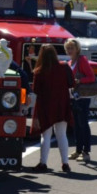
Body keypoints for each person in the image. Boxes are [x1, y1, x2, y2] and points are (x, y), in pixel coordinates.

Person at [31, 44, 74, 172]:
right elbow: (71, 83)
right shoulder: (64, 66)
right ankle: (65, 163)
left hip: (46, 106)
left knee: (46, 136)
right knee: (62, 135)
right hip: (62, 104)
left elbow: (36, 90)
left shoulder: (39, 71)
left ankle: (43, 163)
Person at [65, 38, 95, 163]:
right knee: (76, 125)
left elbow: (91, 77)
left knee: (83, 124)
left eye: (71, 48)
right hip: (73, 97)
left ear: (77, 49)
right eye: (68, 48)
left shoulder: (82, 60)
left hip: (83, 97)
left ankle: (86, 152)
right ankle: (78, 150)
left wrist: (79, 81)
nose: (69, 50)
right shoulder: (69, 62)